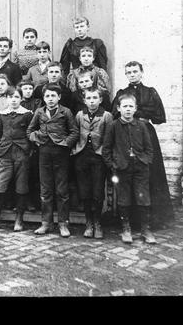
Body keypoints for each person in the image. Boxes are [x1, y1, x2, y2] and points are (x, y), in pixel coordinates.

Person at [111, 61, 174, 228]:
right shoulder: (122, 93)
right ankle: (129, 220)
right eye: (128, 72)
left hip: (145, 133)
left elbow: (159, 117)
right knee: (127, 173)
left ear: (141, 72)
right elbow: (114, 114)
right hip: (125, 134)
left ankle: (153, 219)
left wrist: (141, 115)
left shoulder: (150, 92)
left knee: (149, 172)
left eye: (135, 71)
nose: (132, 74)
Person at [103, 93, 156, 244]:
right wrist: (113, 165)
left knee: (143, 198)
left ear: (135, 108)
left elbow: (149, 148)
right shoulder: (113, 126)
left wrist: (146, 160)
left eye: (130, 106)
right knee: (124, 198)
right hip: (121, 168)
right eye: (124, 106)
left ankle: (145, 229)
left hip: (140, 167)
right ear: (119, 108)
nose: (128, 109)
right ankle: (126, 229)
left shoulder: (141, 126)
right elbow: (106, 149)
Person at [27, 83, 79, 237]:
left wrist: (65, 143)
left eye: (53, 96)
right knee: (46, 189)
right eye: (47, 96)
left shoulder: (66, 112)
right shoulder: (39, 112)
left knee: (62, 190)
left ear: (59, 97)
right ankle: (46, 223)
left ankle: (63, 223)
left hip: (60, 153)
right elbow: (29, 130)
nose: (50, 99)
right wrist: (37, 139)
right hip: (44, 152)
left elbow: (74, 132)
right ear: (43, 98)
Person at [0, 86, 33, 232]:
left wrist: (27, 150)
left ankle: (19, 219)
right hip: (5, 154)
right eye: (11, 97)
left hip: (21, 153)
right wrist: (0, 150)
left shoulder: (26, 114)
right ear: (7, 99)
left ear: (21, 99)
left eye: (17, 97)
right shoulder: (2, 114)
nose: (13, 100)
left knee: (21, 186)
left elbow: (30, 133)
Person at [72, 88, 113, 239]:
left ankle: (97, 223)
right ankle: (88, 223)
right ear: (84, 100)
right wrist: (74, 151)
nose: (92, 101)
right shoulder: (80, 115)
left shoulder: (106, 116)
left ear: (100, 99)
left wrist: (104, 154)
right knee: (85, 191)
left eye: (95, 98)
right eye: (89, 98)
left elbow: (108, 139)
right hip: (82, 156)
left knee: (97, 191)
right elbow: (75, 133)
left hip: (98, 157)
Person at [19, 80, 42, 212]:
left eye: (30, 88)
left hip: (35, 139)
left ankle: (36, 201)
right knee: (24, 173)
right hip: (22, 140)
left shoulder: (37, 103)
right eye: (25, 88)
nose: (28, 91)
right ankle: (25, 201)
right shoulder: (19, 103)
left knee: (35, 173)